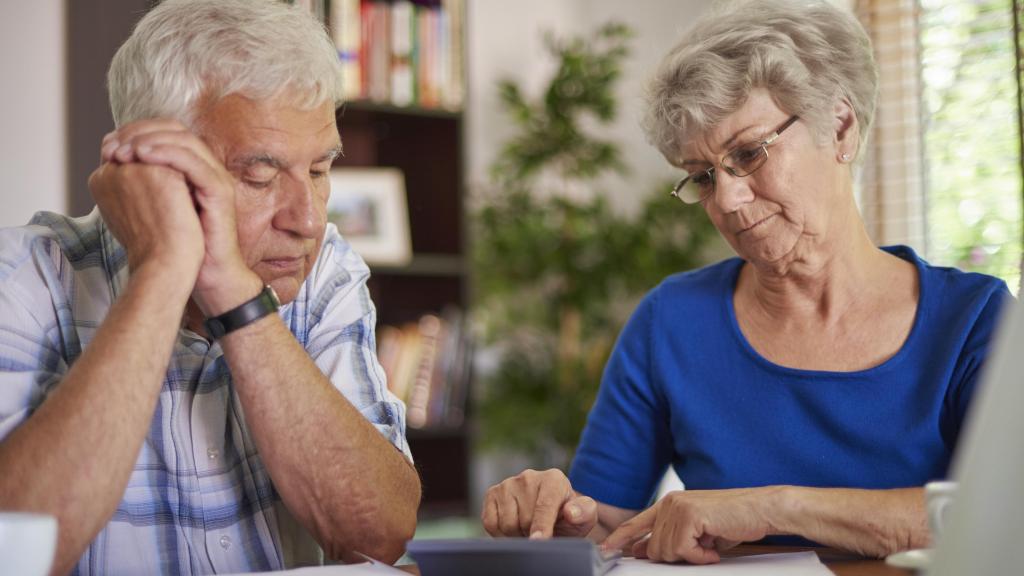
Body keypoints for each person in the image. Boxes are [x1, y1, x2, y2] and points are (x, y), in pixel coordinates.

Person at [482, 0, 1012, 564]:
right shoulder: (673, 322)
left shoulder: (975, 320)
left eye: (749, 153)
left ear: (840, 126)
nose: (727, 200)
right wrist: (554, 518)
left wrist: (774, 508)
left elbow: (1005, 513)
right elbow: (606, 525)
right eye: (703, 177)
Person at [0, 1, 419, 574]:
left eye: (320, 171)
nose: (307, 219)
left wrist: (236, 299)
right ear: (152, 169)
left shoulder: (321, 271)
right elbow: (17, 552)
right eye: (260, 175)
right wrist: (163, 271)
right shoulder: (23, 278)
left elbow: (382, 534)